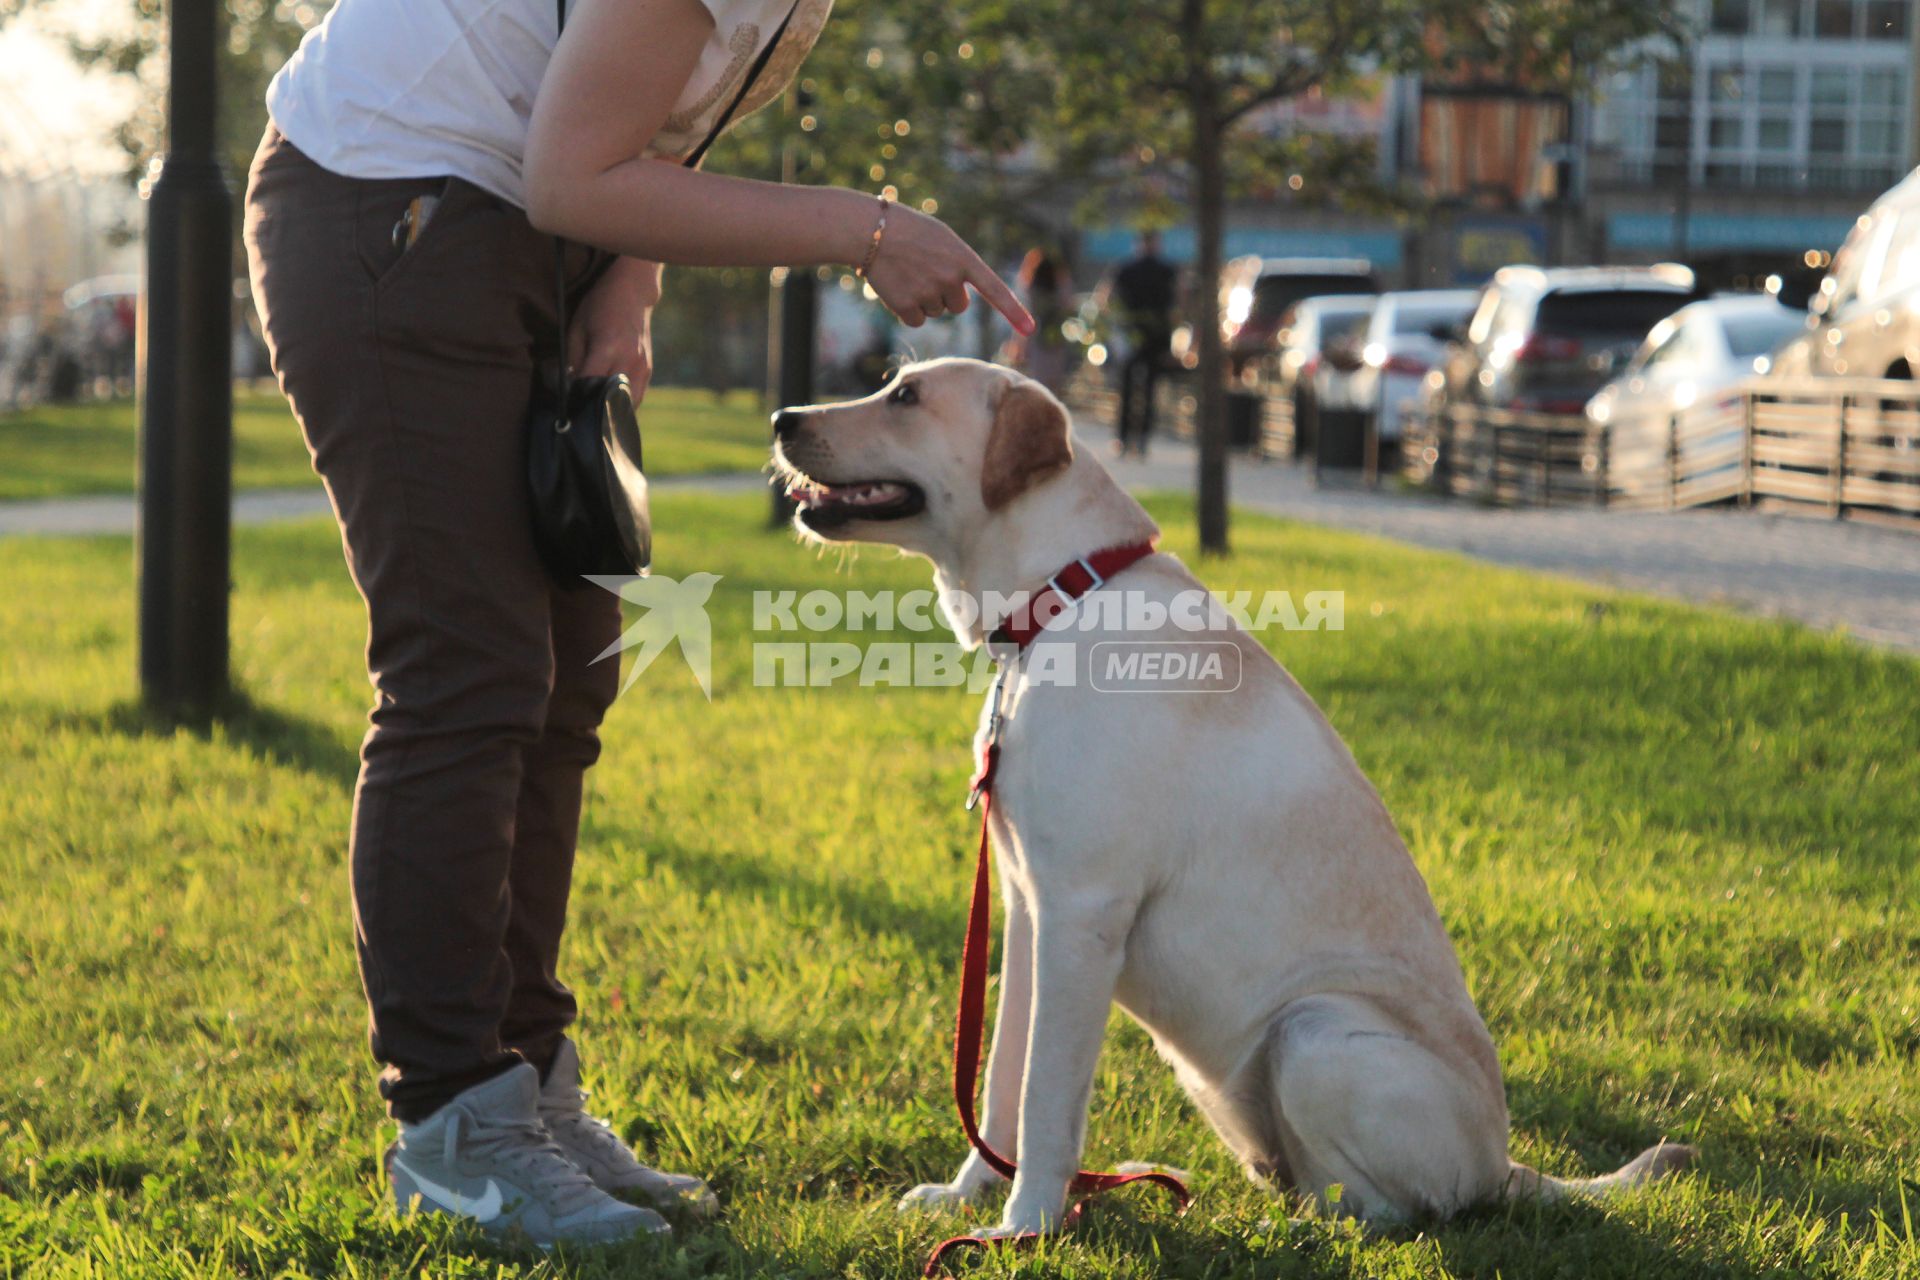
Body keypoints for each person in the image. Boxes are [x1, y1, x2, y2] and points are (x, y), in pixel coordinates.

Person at [244, 0, 1033, 1247]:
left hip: (522, 235)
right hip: (390, 210)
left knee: (563, 677)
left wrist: (630, 282)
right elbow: (574, 167)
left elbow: (637, 133)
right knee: (470, 671)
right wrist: (868, 229)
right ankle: (455, 1126)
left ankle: (529, 1091)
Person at [1109, 230, 1178, 458]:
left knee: (1130, 388)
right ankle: (1138, 439)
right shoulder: (1165, 270)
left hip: (1134, 334)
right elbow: (1174, 308)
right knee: (1145, 389)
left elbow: (1112, 299)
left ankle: (1127, 437)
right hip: (1152, 336)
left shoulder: (1126, 269)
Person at [1003, 247, 1075, 394]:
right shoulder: (1062, 288)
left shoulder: (1031, 291)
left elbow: (1024, 318)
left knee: (1038, 384)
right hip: (1057, 338)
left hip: (1037, 339)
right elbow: (1070, 308)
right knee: (1055, 383)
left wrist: (1017, 346)